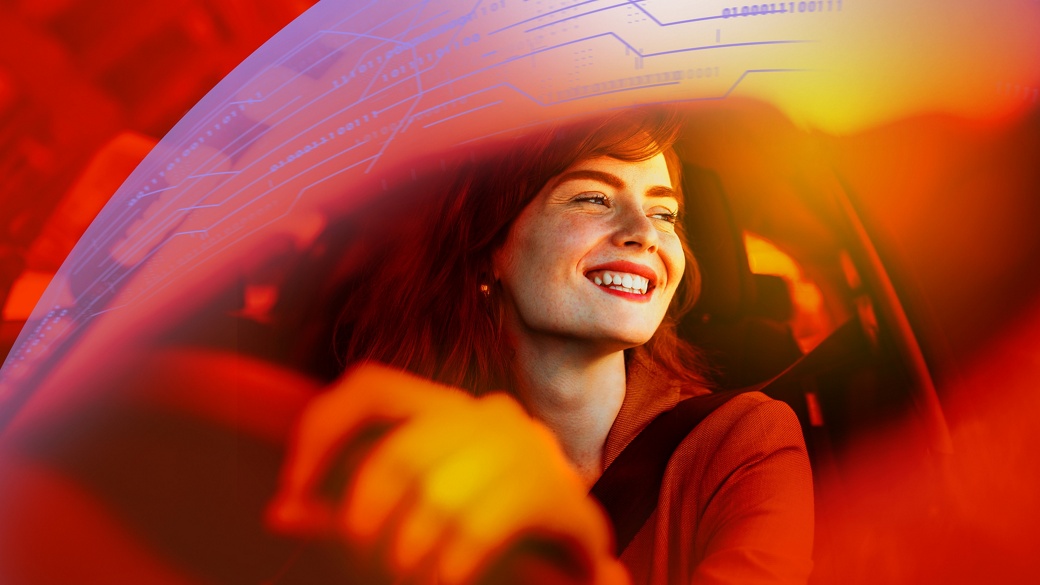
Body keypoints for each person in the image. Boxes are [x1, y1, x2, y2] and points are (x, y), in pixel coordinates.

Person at [265, 108, 814, 585]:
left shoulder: (747, 442)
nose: (644, 232)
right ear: (492, 248)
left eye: (664, 213)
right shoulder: (403, 454)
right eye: (594, 197)